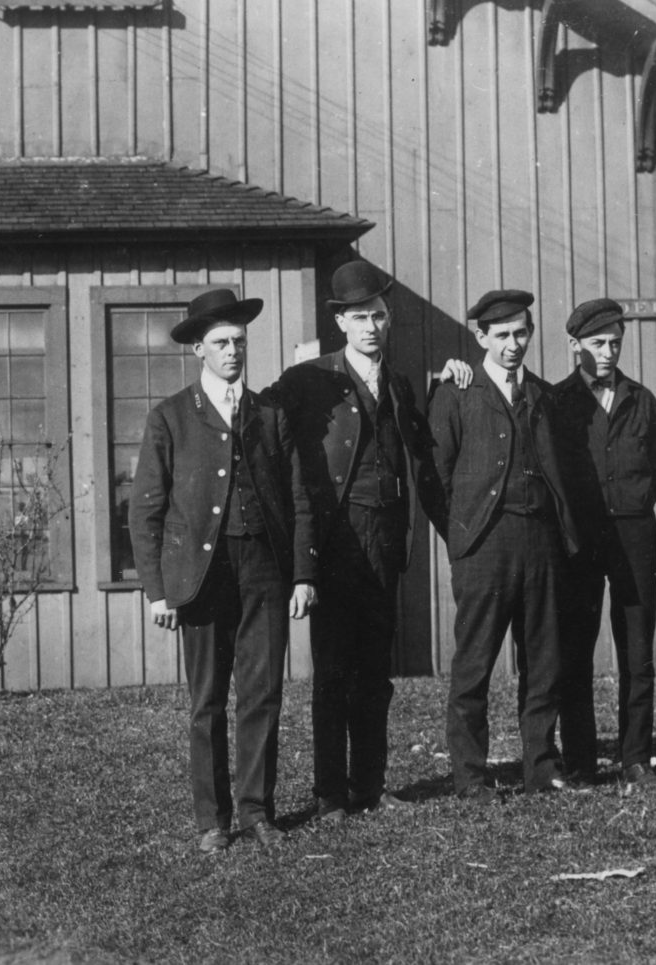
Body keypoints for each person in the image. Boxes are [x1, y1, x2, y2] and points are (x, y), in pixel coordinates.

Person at [264, 260, 455, 822]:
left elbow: (423, 449)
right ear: (341, 324)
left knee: (375, 672)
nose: (372, 326)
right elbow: (262, 417)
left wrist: (451, 379)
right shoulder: (309, 379)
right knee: (332, 672)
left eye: (378, 315)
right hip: (334, 542)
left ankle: (370, 786)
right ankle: (330, 796)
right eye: (360, 318)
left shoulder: (396, 383)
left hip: (385, 543)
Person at [129, 288, 316, 853]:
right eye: (221, 343)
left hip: (264, 568)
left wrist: (303, 575)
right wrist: (158, 592)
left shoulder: (269, 413)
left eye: (239, 341)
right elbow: (146, 511)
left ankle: (258, 811)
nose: (233, 351)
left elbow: (300, 498)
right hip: (200, 576)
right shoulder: (170, 417)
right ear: (198, 351)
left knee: (262, 694)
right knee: (207, 699)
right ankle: (213, 820)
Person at [428, 289, 579, 803]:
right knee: (474, 664)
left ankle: (542, 767)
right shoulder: (456, 392)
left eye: (522, 334)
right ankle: (469, 776)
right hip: (484, 548)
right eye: (503, 335)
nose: (514, 345)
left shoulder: (544, 395)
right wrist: (462, 535)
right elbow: (434, 478)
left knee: (543, 661)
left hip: (540, 543)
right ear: (481, 337)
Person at [552, 298, 656, 787]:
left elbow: (655, 474)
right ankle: (579, 759)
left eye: (615, 343)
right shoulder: (556, 402)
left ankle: (635, 756)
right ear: (575, 345)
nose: (607, 352)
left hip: (634, 537)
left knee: (636, 650)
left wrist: (633, 506)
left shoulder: (643, 401)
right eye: (597, 344)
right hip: (580, 541)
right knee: (575, 648)